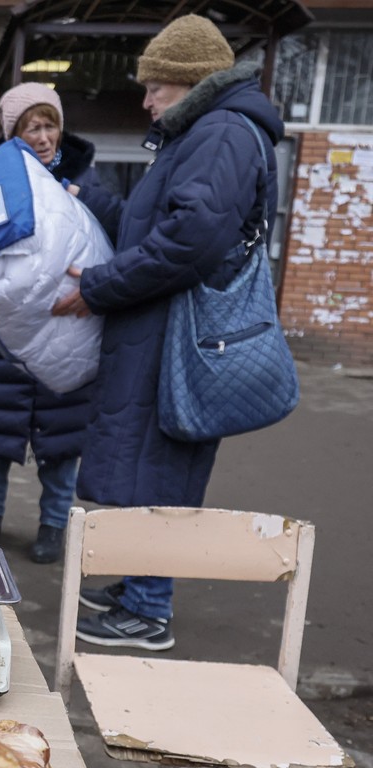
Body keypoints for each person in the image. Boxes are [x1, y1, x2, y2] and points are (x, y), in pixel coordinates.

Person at [52, 15, 283, 650]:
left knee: (161, 470)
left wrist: (98, 287)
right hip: (163, 333)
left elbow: (190, 241)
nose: (147, 100)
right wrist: (87, 197)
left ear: (190, 81)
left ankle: (150, 611)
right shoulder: (202, 133)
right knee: (147, 463)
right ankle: (138, 588)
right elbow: (153, 224)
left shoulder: (220, 134)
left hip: (178, 338)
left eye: (155, 87)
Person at [0, 84, 119, 565]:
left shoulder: (89, 179)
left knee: (60, 448)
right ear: (13, 134)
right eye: (30, 128)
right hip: (1, 345)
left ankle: (53, 525)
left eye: (49, 125)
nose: (42, 137)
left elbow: (115, 240)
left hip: (68, 334)